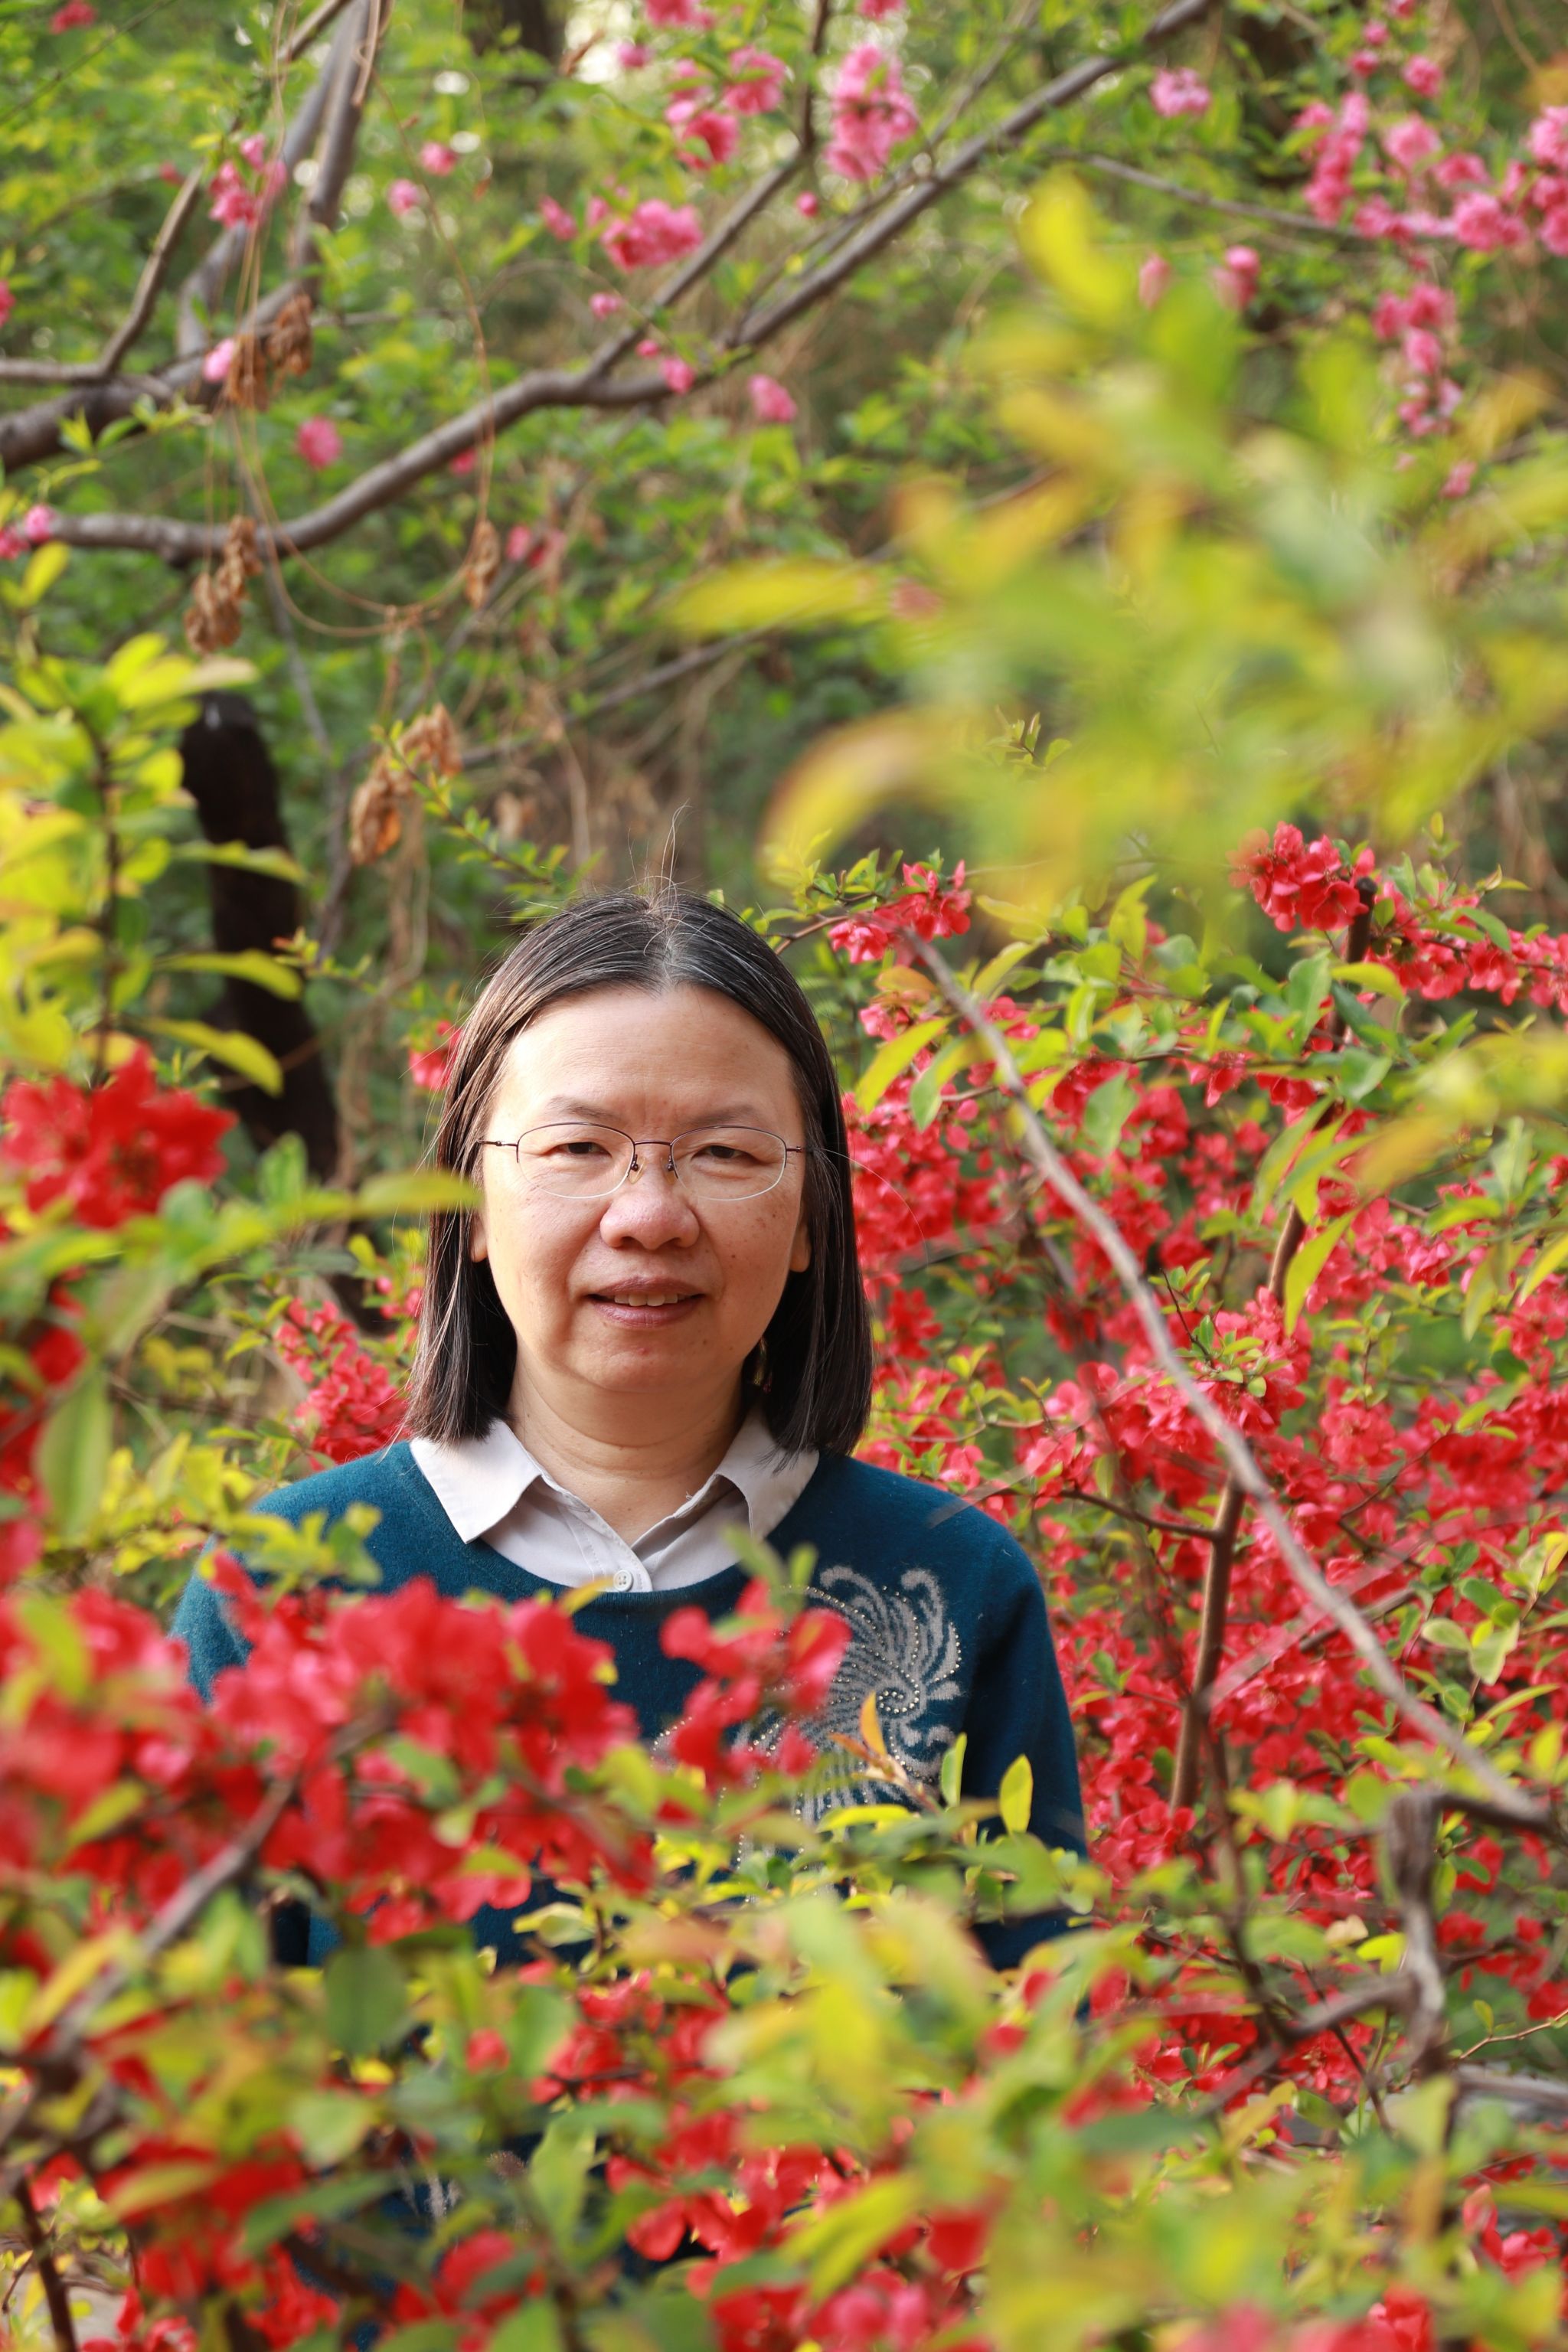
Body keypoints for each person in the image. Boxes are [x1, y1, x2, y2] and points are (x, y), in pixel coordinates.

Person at [172, 888, 1083, 1967]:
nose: (649, 1215)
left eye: (727, 1154)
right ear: (468, 1202)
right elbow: (177, 2045)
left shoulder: (955, 1582)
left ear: (811, 1217)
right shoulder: (278, 1592)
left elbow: (1038, 2042)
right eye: (576, 1148)